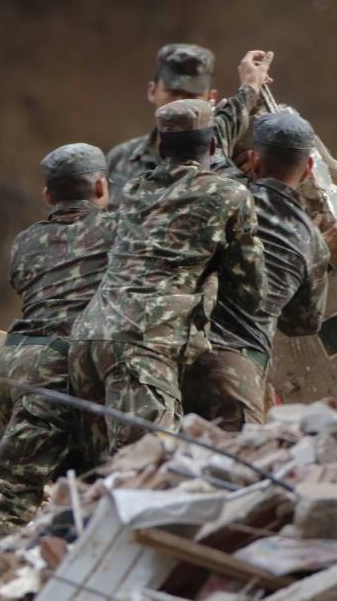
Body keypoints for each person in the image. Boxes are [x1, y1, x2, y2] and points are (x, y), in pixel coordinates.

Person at [69, 97, 268, 462]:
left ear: (160, 146)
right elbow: (253, 291)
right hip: (144, 346)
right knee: (148, 474)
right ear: (212, 146)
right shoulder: (230, 195)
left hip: (89, 341)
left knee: (99, 480)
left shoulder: (133, 191)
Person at [0, 143, 116, 547]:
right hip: (59, 372)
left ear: (47, 196)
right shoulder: (119, 231)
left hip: (14, 363)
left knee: (81, 479)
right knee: (13, 494)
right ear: (101, 187)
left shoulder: (26, 242)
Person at [184, 112, 334, 429]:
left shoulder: (226, 195)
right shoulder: (313, 242)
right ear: (308, 169)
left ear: (253, 159)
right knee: (233, 467)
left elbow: (212, 143)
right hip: (237, 372)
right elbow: (302, 324)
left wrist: (248, 88)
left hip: (179, 353)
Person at [106, 44, 269, 208]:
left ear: (210, 98)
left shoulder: (227, 161)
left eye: (192, 95)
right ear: (152, 91)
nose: (181, 102)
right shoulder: (120, 158)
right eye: (174, 92)